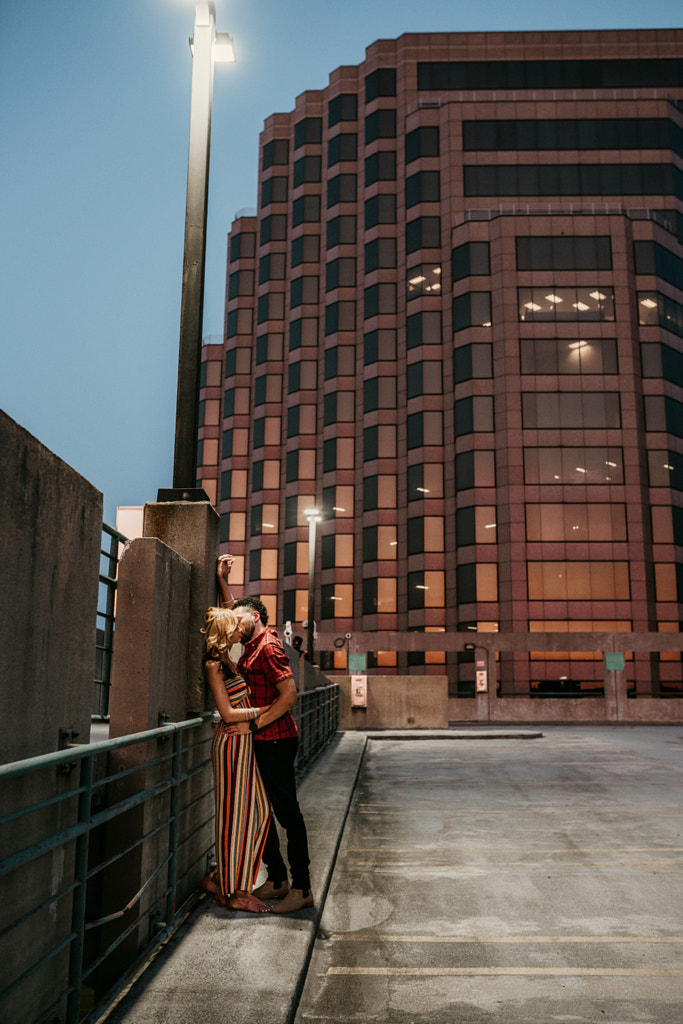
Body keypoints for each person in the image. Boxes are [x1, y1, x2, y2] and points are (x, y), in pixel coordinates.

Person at [216, 559, 313, 915]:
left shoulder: (269, 647)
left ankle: (301, 888)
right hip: (262, 740)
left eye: (239, 619)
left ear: (254, 618)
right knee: (261, 811)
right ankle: (276, 879)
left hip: (275, 740)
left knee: (288, 814)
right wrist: (222, 581)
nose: (233, 625)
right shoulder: (252, 642)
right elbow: (232, 614)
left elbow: (289, 697)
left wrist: (255, 725)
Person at [200, 605, 273, 914]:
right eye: (235, 628)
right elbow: (227, 713)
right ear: (224, 632)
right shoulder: (213, 664)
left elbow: (225, 610)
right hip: (231, 741)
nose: (240, 630)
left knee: (261, 812)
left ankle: (220, 879)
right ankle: (237, 893)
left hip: (245, 742)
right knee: (234, 818)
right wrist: (267, 711)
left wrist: (221, 578)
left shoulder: (230, 659)